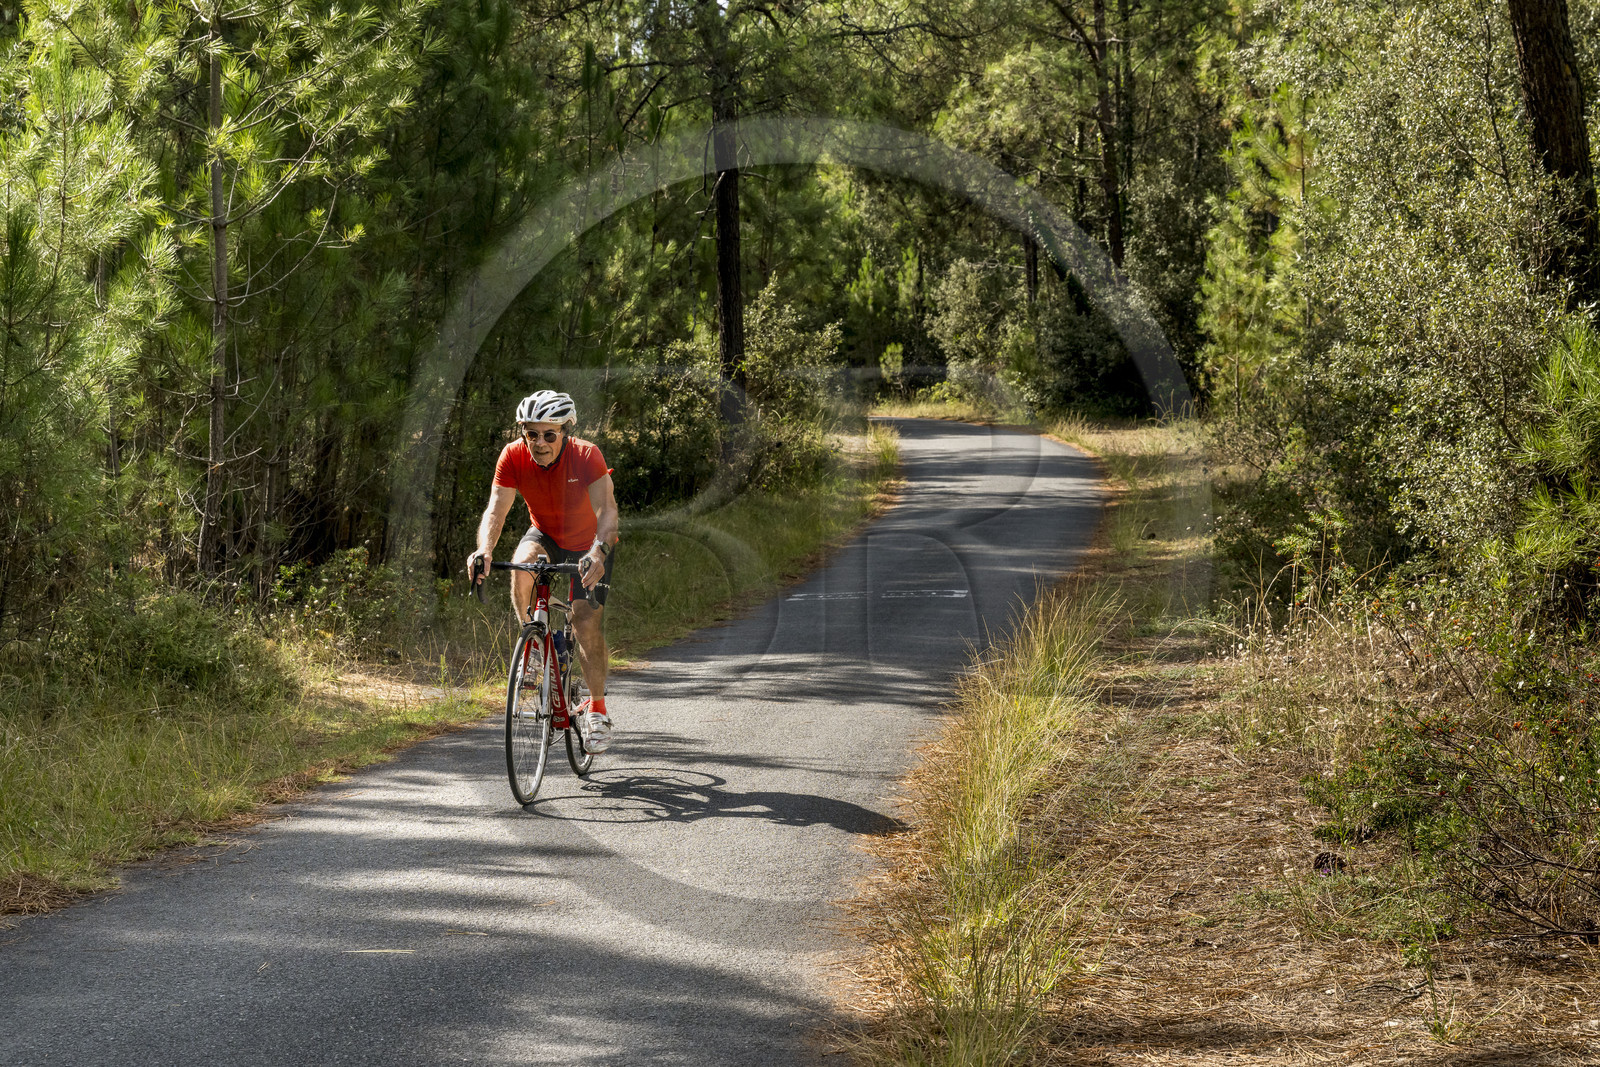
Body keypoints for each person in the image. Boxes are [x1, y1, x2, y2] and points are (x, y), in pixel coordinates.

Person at [467, 391, 620, 752]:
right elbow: (496, 509)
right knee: (521, 566)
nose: (539, 443)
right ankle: (534, 647)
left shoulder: (586, 455)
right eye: (531, 434)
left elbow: (608, 511)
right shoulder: (513, 456)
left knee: (584, 621)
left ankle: (597, 710)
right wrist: (484, 550)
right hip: (546, 535)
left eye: (548, 434)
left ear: (565, 431)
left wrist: (598, 552)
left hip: (590, 544)